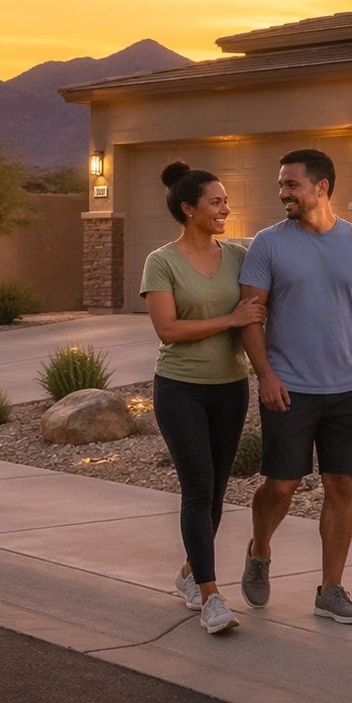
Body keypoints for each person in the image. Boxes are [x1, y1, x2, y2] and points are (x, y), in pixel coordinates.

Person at [236, 147, 352, 625]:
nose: (282, 193)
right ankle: (260, 549)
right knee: (282, 485)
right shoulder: (267, 244)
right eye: (280, 184)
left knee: (341, 484)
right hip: (288, 387)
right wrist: (265, 375)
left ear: (321, 187)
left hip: (347, 387)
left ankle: (330, 589)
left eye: (291, 184)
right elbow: (251, 315)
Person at [141, 161, 265, 635]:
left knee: (215, 490)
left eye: (225, 201)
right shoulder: (162, 261)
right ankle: (211, 595)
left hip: (229, 388)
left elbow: (257, 308)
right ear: (188, 208)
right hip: (180, 388)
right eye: (216, 202)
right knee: (197, 487)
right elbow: (168, 330)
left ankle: (190, 573)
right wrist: (231, 320)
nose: (225, 209)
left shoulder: (237, 256)